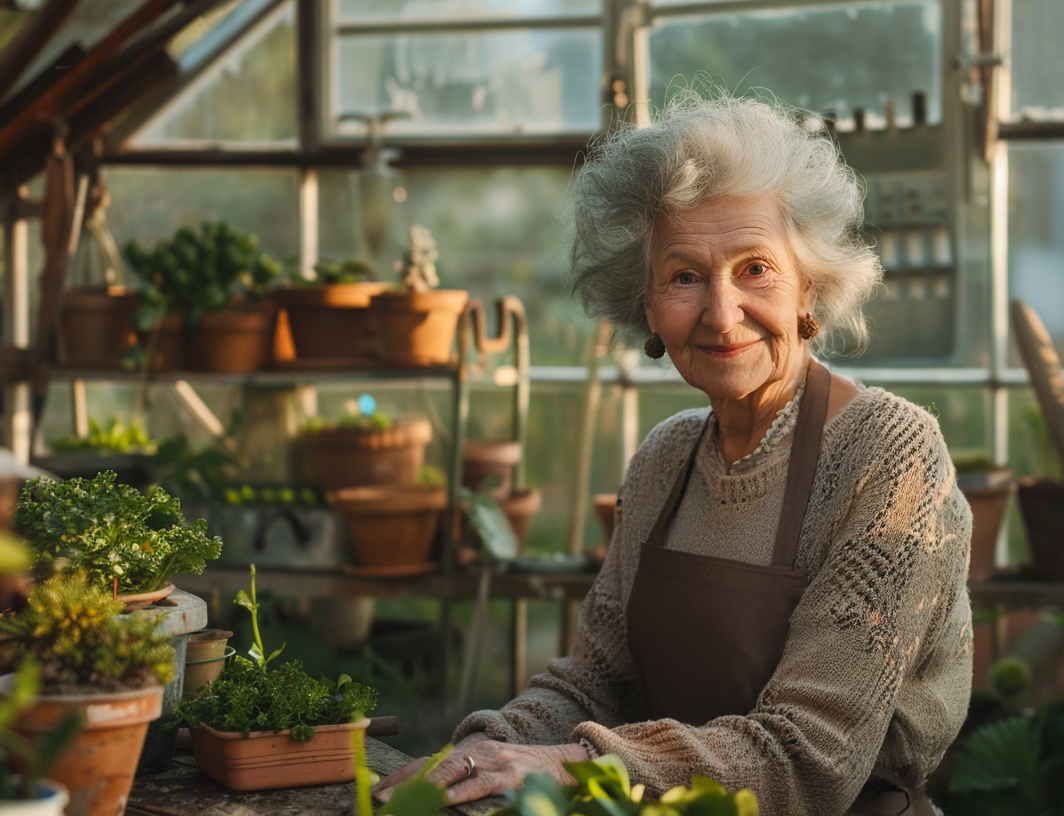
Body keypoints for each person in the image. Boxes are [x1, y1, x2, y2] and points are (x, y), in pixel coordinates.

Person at [375, 93, 973, 816]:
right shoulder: (666, 458)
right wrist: (480, 751)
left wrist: (568, 764)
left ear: (808, 287)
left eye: (756, 269)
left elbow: (810, 758)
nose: (723, 315)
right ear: (648, 307)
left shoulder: (890, 451)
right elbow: (593, 683)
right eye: (686, 276)